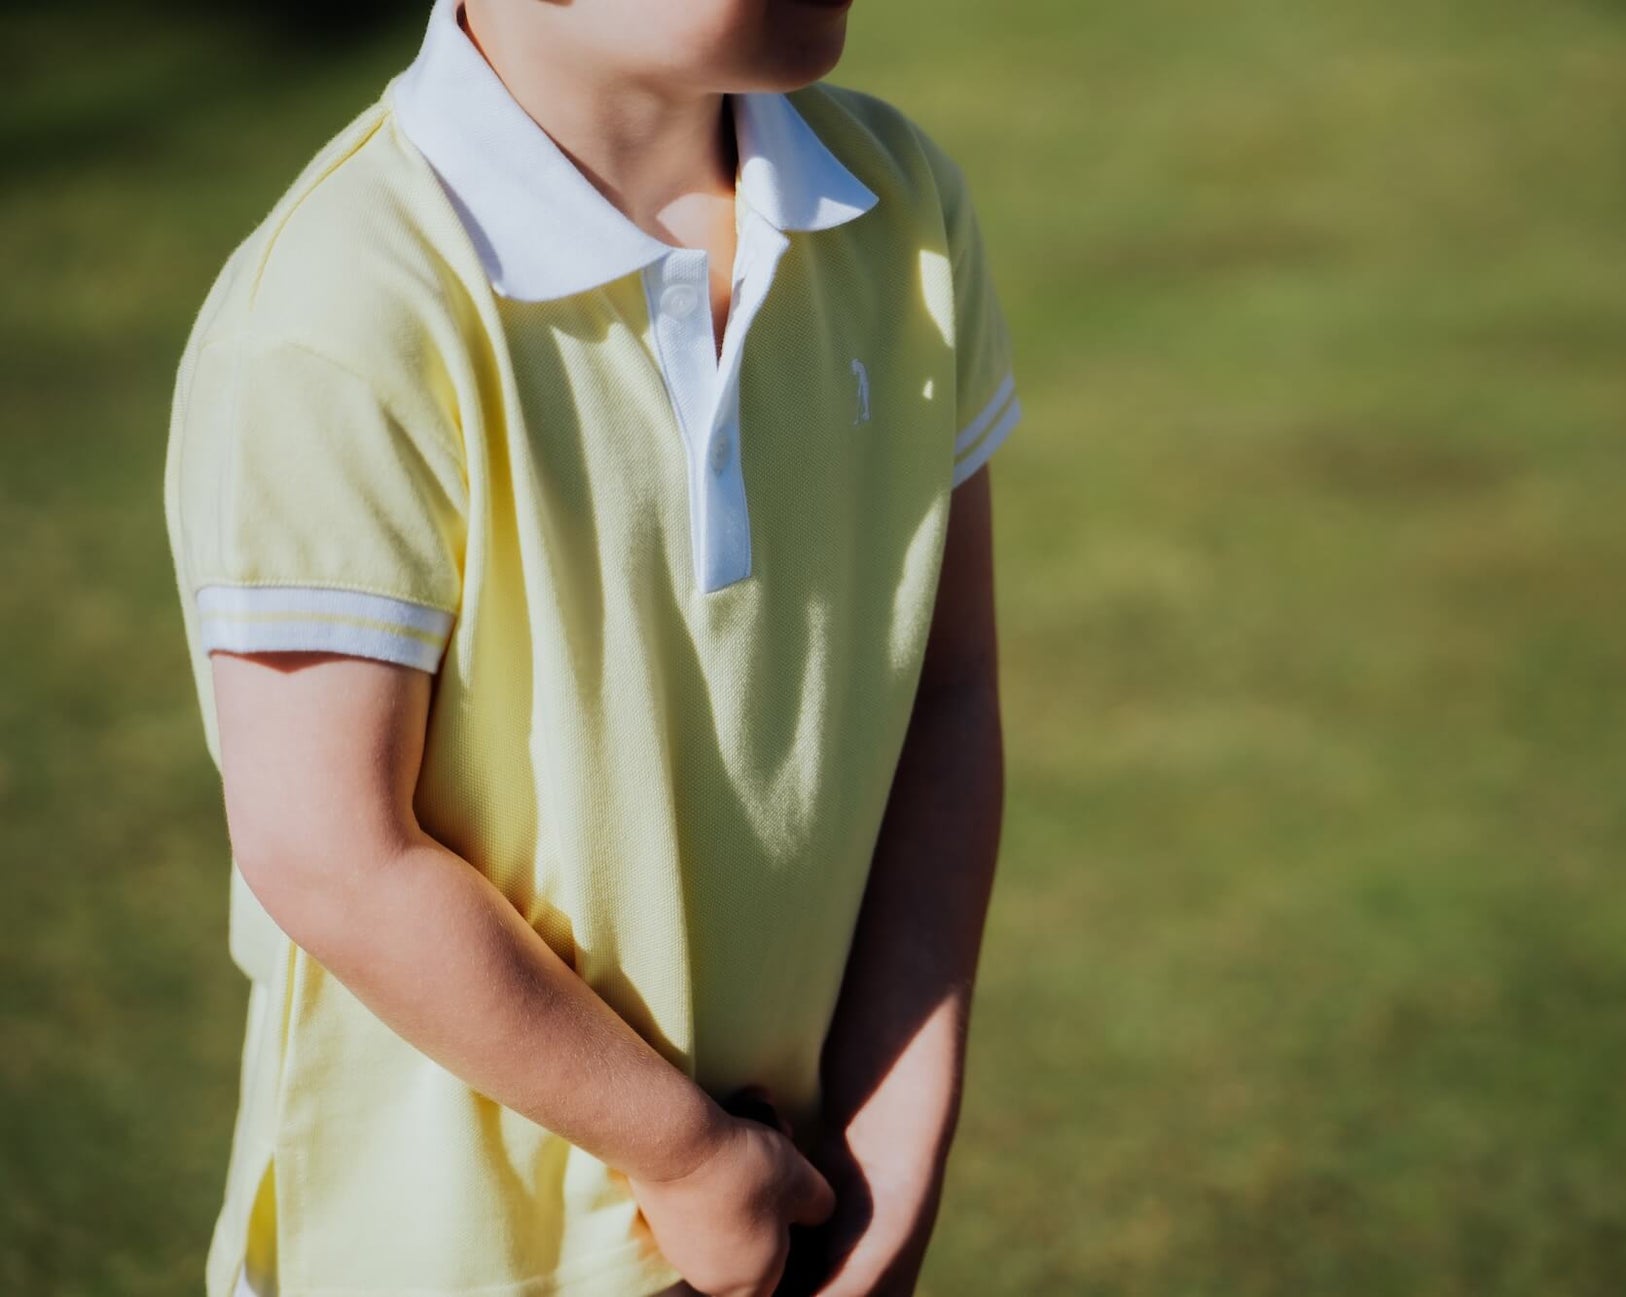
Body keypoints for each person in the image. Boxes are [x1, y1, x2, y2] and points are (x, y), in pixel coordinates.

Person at [160, 0, 1022, 1293]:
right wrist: (677, 1152)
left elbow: (943, 696)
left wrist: (895, 1126)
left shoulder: (899, 212)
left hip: (790, 1198)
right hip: (447, 1250)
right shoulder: (343, 306)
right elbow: (329, 847)